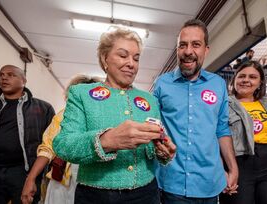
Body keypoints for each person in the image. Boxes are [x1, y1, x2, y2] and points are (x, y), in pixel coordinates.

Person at [52, 27, 176, 204]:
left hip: (147, 193)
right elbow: (63, 145)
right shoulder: (81, 94)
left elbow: (152, 148)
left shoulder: (149, 99)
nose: (131, 63)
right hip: (97, 197)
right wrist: (106, 140)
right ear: (105, 58)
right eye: (123, 55)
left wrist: (162, 152)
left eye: (136, 58)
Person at [153, 19, 238, 203]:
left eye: (196, 44)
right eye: (182, 45)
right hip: (170, 184)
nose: (188, 51)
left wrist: (233, 168)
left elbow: (222, 129)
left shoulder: (218, 84)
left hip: (209, 184)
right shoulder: (161, 84)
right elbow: (152, 128)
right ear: (177, 49)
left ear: (206, 50)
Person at [0, 65, 55, 204]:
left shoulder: (43, 108)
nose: (4, 77)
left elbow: (51, 142)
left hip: (23, 172)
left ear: (24, 80)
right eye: (1, 75)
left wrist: (36, 176)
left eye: (11, 75)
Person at [220, 60, 267, 204]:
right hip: (238, 164)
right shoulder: (223, 104)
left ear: (260, 82)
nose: (246, 80)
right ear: (234, 79)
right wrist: (221, 172)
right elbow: (215, 139)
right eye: (241, 76)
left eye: (252, 77)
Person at [21, 75, 101, 204]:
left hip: (94, 180)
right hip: (62, 180)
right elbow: (47, 148)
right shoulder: (62, 116)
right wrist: (30, 178)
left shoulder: (101, 119)